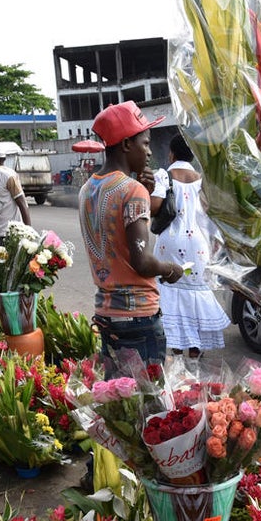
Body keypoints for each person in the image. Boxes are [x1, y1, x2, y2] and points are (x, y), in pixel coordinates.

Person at [80, 100, 184, 367]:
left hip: (106, 311)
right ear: (126, 144)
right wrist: (171, 269)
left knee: (118, 399)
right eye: (145, 143)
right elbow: (143, 261)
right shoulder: (131, 190)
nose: (149, 152)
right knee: (147, 403)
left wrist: (144, 195)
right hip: (138, 316)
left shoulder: (87, 189)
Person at [149, 133, 229, 356]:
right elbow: (212, 216)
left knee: (171, 291)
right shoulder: (203, 181)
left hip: (169, 243)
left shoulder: (163, 176)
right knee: (194, 292)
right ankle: (195, 353)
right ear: (192, 154)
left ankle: (176, 352)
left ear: (171, 153)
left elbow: (154, 207)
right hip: (199, 245)